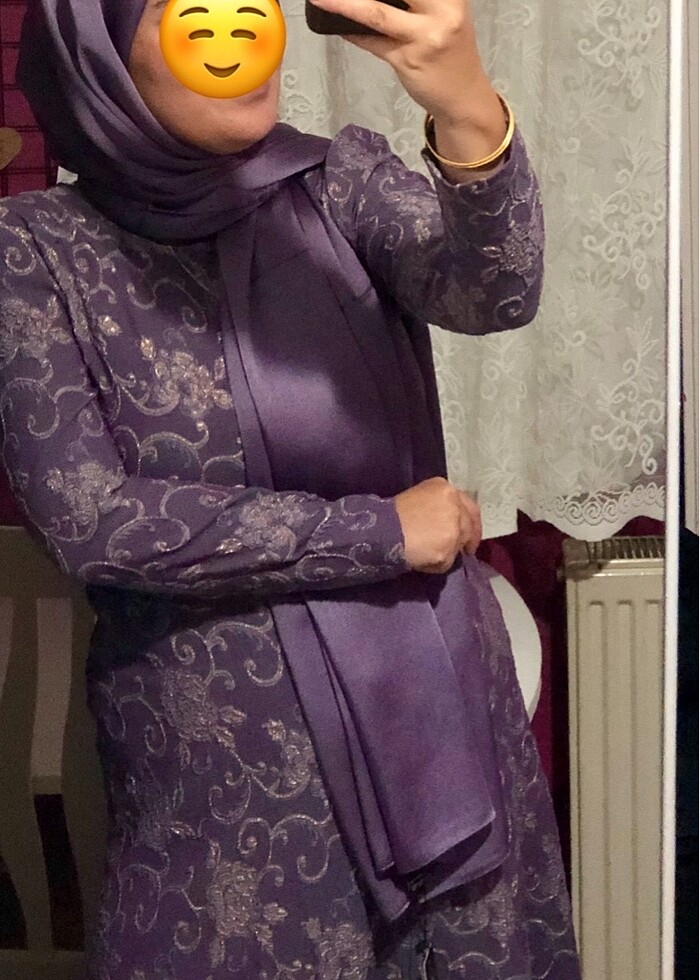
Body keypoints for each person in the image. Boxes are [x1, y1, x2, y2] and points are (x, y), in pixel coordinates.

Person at [0, 0, 581, 976]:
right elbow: (92, 519)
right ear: (98, 49)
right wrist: (378, 532)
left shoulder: (335, 182)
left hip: (430, 698)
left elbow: (493, 291)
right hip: (230, 768)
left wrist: (466, 107)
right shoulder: (35, 250)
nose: (241, 37)